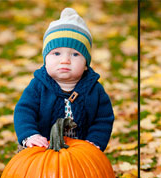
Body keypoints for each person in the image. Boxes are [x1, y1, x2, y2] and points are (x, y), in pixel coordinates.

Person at [14, 8, 114, 152]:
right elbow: (24, 111)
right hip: (43, 149)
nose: (65, 60)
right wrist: (30, 135)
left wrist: (94, 142)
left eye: (75, 54)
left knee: (86, 173)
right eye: (56, 53)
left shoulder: (94, 89)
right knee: (34, 171)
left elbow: (103, 119)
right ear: (45, 59)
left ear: (86, 64)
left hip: (81, 153)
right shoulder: (38, 86)